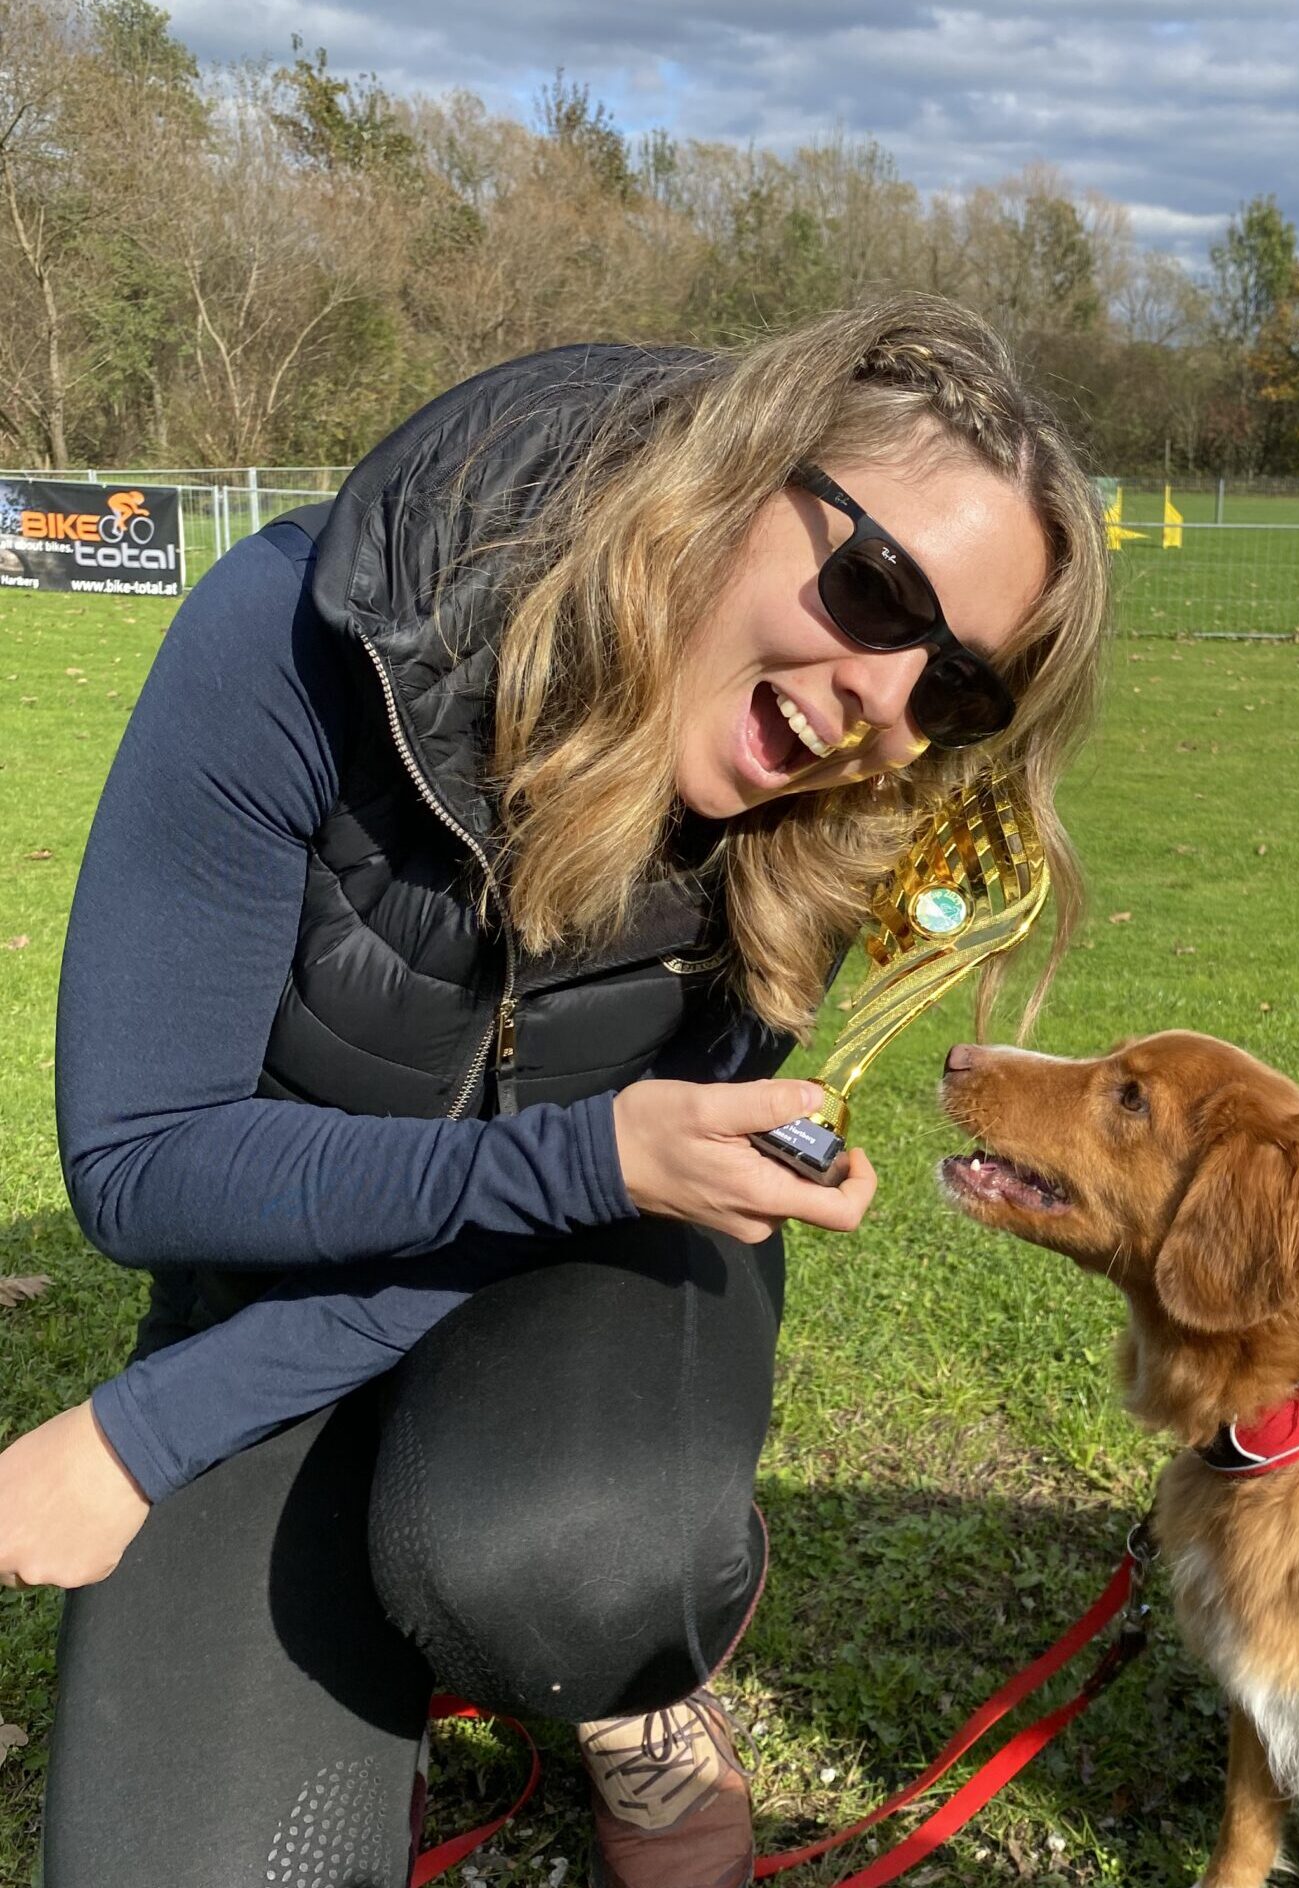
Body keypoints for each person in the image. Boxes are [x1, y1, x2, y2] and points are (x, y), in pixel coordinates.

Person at [0, 293, 1110, 1888]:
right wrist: (176, 1421)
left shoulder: (830, 825)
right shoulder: (301, 635)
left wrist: (142, 1435)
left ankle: (632, 1691)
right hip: (291, 1266)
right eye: (876, 590)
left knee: (574, 1563)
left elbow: (621, 1174)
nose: (882, 704)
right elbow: (144, 1163)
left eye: (957, 691)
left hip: (605, 1257)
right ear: (734, 473)